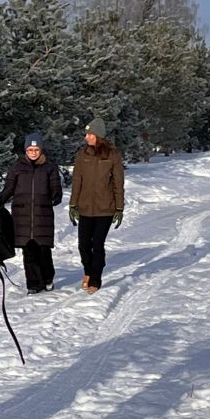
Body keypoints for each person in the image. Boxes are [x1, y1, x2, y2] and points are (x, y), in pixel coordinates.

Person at [0, 131, 63, 293]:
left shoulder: (49, 168)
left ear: (41, 150)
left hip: (42, 216)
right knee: (29, 253)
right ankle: (33, 284)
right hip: (22, 216)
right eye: (30, 150)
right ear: (25, 150)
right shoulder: (17, 168)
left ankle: (47, 278)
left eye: (36, 150)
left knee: (43, 251)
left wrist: (56, 196)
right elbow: (8, 189)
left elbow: (55, 187)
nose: (33, 153)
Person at [69, 118, 125, 293]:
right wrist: (73, 204)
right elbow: (77, 181)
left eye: (90, 134)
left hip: (105, 208)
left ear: (98, 135)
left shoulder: (112, 155)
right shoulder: (82, 155)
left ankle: (95, 278)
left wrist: (119, 207)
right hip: (85, 207)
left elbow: (118, 183)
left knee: (97, 244)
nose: (86, 137)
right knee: (83, 245)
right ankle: (88, 271)